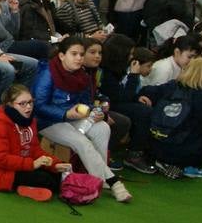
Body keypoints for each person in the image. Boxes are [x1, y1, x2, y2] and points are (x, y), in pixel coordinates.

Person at [32, 36, 130, 202]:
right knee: (81, 142)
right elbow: (38, 106)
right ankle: (113, 182)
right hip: (48, 121)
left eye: (81, 54)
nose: (79, 58)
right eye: (74, 54)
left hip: (73, 118)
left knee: (102, 128)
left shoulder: (82, 75)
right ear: (62, 55)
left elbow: (86, 103)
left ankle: (99, 176)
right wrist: (66, 114)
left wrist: (97, 112)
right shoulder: (48, 73)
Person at [0, 86, 68, 201]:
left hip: (18, 164)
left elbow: (35, 150)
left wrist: (54, 164)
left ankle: (28, 187)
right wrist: (32, 164)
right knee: (47, 180)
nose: (29, 107)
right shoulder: (0, 124)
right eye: (22, 104)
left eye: (31, 102)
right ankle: (22, 187)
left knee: (57, 175)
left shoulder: (30, 120)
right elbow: (0, 159)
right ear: (10, 105)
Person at [138, 57, 202, 179]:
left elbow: (147, 90)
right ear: (200, 75)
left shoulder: (173, 85)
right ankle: (190, 164)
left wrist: (142, 97)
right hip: (183, 152)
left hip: (154, 145)